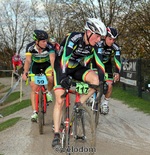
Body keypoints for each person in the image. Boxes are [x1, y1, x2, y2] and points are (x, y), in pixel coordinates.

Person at [52, 18, 107, 147]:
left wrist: (102, 81)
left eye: (101, 37)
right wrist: (64, 77)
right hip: (61, 66)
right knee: (60, 100)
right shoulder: (74, 38)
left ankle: (79, 102)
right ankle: (56, 134)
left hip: (76, 67)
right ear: (89, 32)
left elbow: (99, 63)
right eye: (98, 35)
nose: (99, 40)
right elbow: (64, 57)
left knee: (96, 80)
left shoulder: (97, 45)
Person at [22, 30, 55, 122]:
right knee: (33, 87)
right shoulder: (30, 47)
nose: (46, 43)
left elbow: (52, 59)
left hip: (46, 65)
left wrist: (53, 70)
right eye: (43, 41)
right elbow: (28, 61)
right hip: (35, 66)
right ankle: (35, 112)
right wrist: (25, 72)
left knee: (51, 78)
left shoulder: (49, 46)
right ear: (37, 41)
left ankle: (48, 92)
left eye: (46, 41)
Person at [99, 27, 121, 115]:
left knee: (109, 84)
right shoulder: (98, 44)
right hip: (95, 63)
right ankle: (92, 96)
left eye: (114, 40)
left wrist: (117, 72)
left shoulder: (116, 47)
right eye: (110, 39)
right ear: (105, 37)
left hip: (107, 65)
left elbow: (117, 60)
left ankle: (105, 103)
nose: (112, 41)